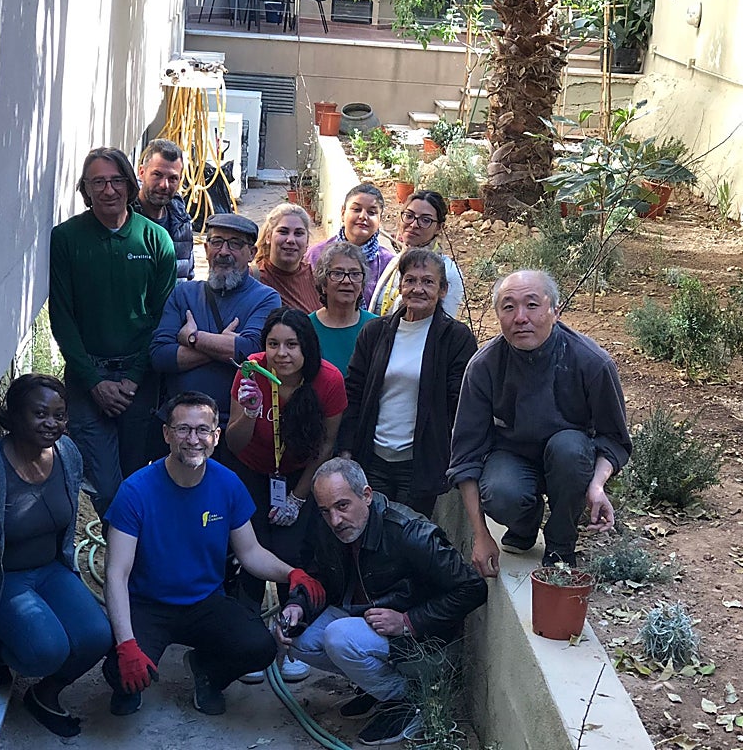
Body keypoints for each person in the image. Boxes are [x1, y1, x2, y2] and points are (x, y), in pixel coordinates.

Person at [101, 390, 326, 718]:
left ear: (216, 436)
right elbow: (116, 574)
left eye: (203, 430)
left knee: (259, 647)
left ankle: (206, 671)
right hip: (148, 604)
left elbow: (250, 553)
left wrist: (293, 573)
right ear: (167, 434)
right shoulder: (136, 491)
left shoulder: (228, 484)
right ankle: (131, 676)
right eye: (183, 429)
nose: (193, 439)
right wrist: (126, 644)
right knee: (121, 673)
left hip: (205, 602)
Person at [0, 375, 112, 738]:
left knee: (96, 636)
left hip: (49, 571)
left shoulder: (67, 454)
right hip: (3, 579)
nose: (52, 424)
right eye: (40, 413)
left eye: (59, 415)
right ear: (14, 416)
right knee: (46, 649)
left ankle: (44, 695)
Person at [275, 458, 487, 746]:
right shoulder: (330, 528)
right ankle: (378, 687)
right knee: (300, 640)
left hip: (423, 638)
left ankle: (408, 700)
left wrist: (408, 621)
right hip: (368, 620)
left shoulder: (410, 533)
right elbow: (319, 575)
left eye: (342, 506)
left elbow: (472, 588)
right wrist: (297, 605)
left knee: (338, 637)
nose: (335, 520)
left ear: (366, 495)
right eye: (326, 511)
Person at [448, 270, 633, 575]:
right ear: (498, 315)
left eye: (532, 305)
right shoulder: (483, 367)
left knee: (569, 448)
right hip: (511, 458)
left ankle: (561, 545)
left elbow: (614, 439)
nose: (520, 317)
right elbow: (464, 457)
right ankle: (525, 521)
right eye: (508, 307)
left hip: (569, 462)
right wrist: (481, 536)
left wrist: (597, 485)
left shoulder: (591, 362)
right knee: (500, 492)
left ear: (554, 311)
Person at [49, 146, 176, 517]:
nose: (108, 190)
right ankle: (119, 549)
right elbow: (62, 316)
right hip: (88, 380)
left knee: (137, 477)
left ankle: (129, 564)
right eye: (98, 182)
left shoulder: (156, 240)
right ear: (85, 190)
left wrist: (133, 380)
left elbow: (161, 318)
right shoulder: (66, 238)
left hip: (139, 381)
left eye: (116, 181)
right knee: (105, 485)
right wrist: (94, 382)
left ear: (129, 184)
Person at [225, 308, 346, 681]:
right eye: (273, 344)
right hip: (251, 469)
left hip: (298, 472)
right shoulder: (250, 372)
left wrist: (298, 496)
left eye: (292, 344)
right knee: (250, 548)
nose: (282, 354)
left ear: (307, 347)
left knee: (293, 550)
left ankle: (292, 635)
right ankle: (248, 639)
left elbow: (325, 445)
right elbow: (231, 442)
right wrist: (248, 412)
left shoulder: (328, 380)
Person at [341, 249, 476, 518]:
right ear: (401, 285)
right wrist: (346, 450)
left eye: (428, 282)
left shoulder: (456, 339)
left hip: (419, 463)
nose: (418, 289)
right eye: (410, 280)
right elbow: (353, 392)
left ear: (443, 290)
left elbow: (459, 405)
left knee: (410, 537)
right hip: (373, 457)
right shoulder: (375, 332)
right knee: (371, 531)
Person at [150, 213, 281, 428]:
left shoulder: (266, 298)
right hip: (180, 424)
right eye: (217, 242)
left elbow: (251, 352)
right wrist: (223, 345)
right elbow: (160, 356)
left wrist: (193, 337)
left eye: (235, 244)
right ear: (206, 249)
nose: (223, 252)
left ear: (252, 253)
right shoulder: (184, 294)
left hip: (234, 426)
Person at [369, 191, 465, 319]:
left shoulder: (448, 272)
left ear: (439, 227)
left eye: (425, 220)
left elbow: (445, 326)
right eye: (409, 216)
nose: (414, 225)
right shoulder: (395, 261)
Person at [306, 183, 395, 306]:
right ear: (343, 213)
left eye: (372, 212)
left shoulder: (388, 264)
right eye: (356, 210)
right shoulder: (316, 255)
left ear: (380, 219)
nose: (363, 216)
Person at [309, 242, 379, 377]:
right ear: (323, 283)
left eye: (355, 274)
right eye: (337, 273)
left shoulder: (377, 327)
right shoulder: (306, 327)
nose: (347, 281)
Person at [131, 138, 195, 280]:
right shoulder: (124, 220)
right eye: (157, 175)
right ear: (142, 172)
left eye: (172, 178)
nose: (164, 185)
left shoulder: (182, 222)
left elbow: (187, 276)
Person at [254, 203, 321, 312]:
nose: (290, 240)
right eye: (283, 232)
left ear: (307, 241)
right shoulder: (253, 278)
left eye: (298, 233)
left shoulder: (316, 278)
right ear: (268, 237)